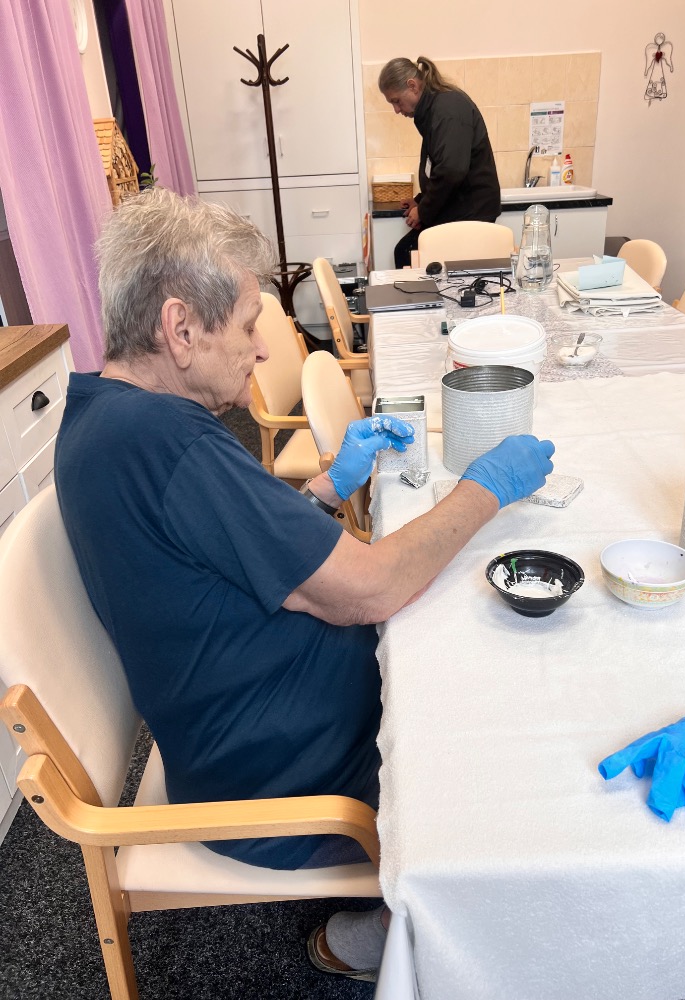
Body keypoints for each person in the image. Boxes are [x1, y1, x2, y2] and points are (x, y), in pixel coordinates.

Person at [54, 188, 554, 983]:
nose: (260, 350)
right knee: (515, 732)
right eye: (247, 324)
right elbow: (371, 588)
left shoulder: (103, 415)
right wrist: (487, 488)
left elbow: (203, 552)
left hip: (238, 727)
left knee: (465, 624)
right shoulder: (165, 441)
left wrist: (321, 492)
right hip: (274, 778)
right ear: (180, 328)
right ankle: (396, 935)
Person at [379, 56, 501, 268]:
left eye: (396, 101)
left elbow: (451, 170)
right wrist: (421, 200)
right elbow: (440, 167)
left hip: (470, 213)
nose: (396, 110)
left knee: (407, 252)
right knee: (406, 252)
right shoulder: (435, 109)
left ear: (413, 86)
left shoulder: (447, 109)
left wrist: (423, 210)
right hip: (460, 208)